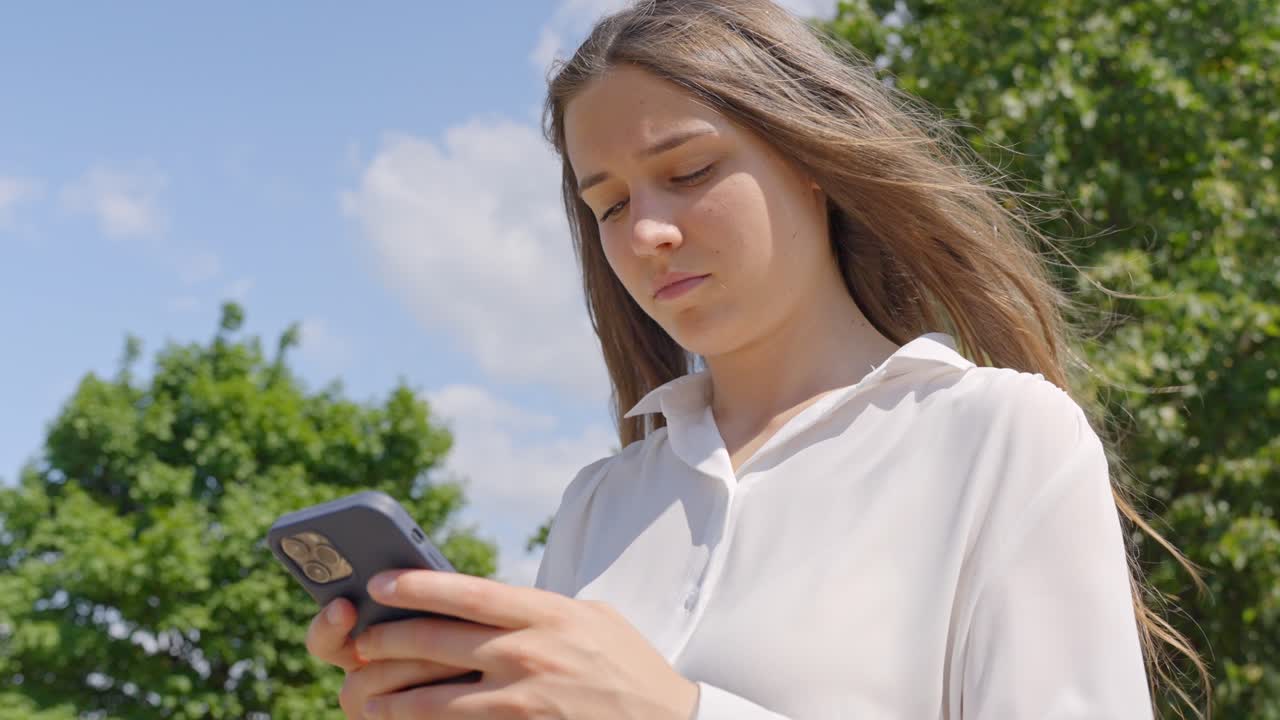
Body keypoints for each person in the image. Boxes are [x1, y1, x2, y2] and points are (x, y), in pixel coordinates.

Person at [303, 1, 1212, 718]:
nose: (648, 231)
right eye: (608, 205)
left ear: (811, 158)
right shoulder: (600, 502)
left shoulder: (1000, 436)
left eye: (690, 171)